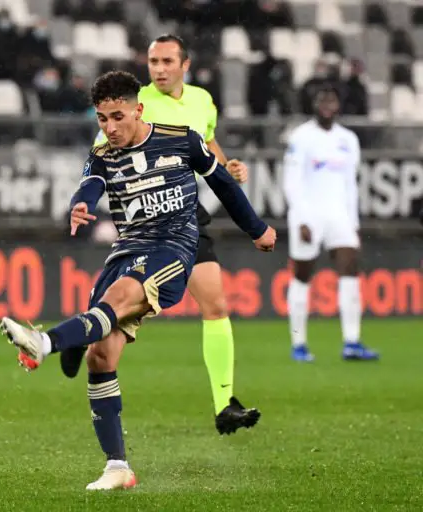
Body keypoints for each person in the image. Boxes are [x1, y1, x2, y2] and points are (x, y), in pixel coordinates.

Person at [0, 70, 277, 490]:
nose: (110, 127)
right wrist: (79, 205)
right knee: (100, 358)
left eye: (117, 117)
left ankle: (46, 342)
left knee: (117, 300)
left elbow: (222, 184)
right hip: (126, 249)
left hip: (173, 248)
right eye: (102, 119)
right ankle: (117, 467)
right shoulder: (102, 154)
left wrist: (257, 229)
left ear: (138, 110)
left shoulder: (182, 140)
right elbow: (89, 185)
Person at [57, 34, 263, 436]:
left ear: (185, 65)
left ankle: (224, 404)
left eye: (168, 61)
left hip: (185, 212)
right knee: (121, 308)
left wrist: (227, 167)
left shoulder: (201, 100)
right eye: (154, 61)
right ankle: (84, 332)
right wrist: (85, 197)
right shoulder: (134, 104)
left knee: (216, 304)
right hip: (145, 219)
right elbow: (101, 156)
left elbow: (206, 144)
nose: (160, 69)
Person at [283, 85, 379, 362]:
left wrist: (353, 221)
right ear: (314, 105)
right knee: (302, 276)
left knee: (350, 272)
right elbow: (292, 182)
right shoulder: (301, 137)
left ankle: (352, 342)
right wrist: (301, 218)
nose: (327, 105)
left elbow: (350, 184)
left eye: (331, 101)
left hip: (339, 215)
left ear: (338, 105)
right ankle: (299, 344)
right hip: (308, 215)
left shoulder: (348, 139)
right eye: (322, 100)